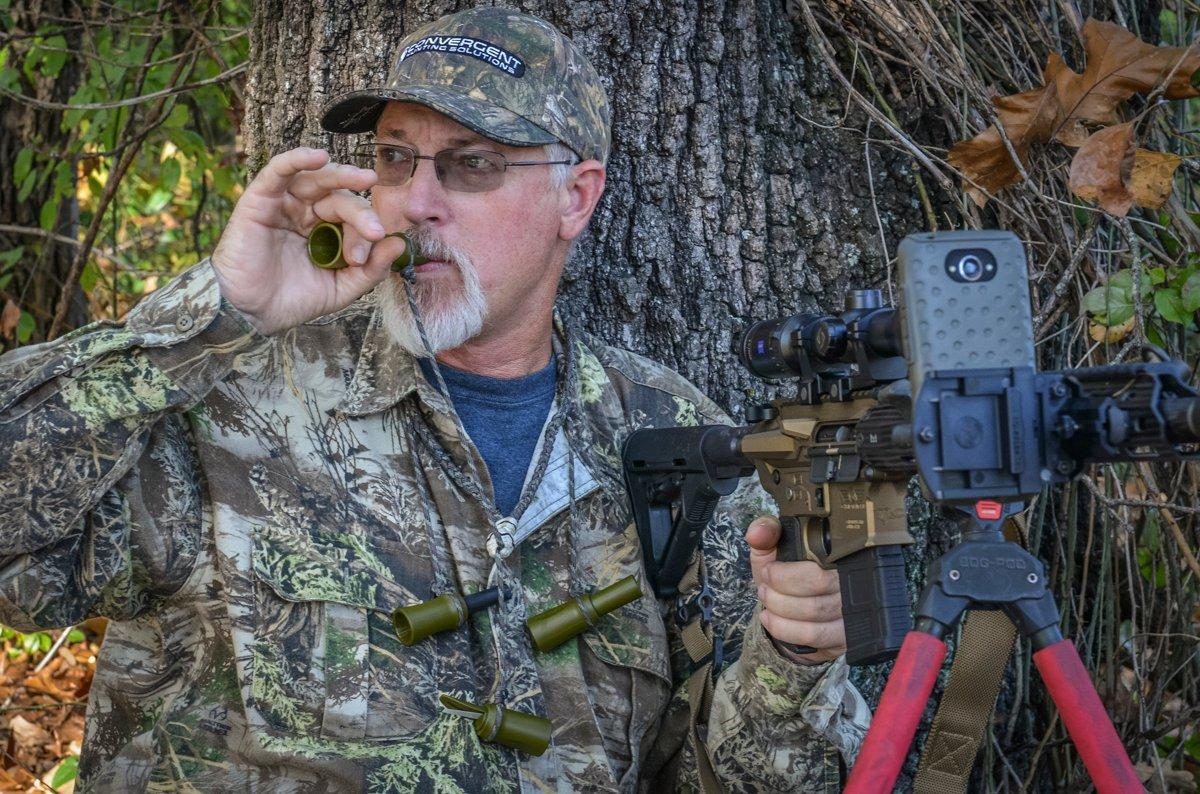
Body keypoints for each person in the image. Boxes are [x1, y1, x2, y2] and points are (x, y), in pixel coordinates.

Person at [0, 7, 868, 792]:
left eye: (472, 165)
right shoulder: (232, 396)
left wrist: (795, 658)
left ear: (576, 196)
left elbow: (752, 780)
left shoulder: (678, 442)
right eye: (393, 158)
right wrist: (214, 313)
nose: (416, 203)